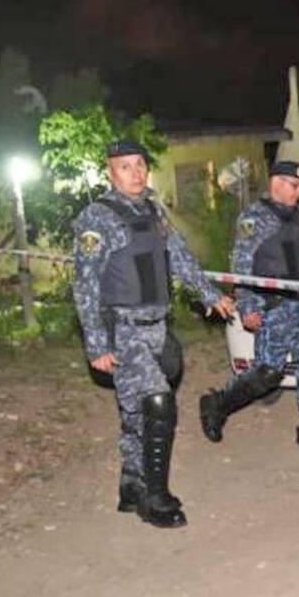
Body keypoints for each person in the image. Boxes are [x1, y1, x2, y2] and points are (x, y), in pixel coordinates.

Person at [72, 141, 234, 529]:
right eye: (125, 167)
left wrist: (211, 296)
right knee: (159, 403)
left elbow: (180, 257)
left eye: (140, 165)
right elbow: (85, 285)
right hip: (123, 328)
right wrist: (96, 344)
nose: (136, 173)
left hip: (158, 327)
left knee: (135, 412)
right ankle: (155, 499)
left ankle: (131, 485)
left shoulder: (153, 210)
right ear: (110, 173)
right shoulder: (97, 217)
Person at [198, 160, 299, 446]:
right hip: (272, 306)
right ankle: (217, 404)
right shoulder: (254, 218)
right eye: (295, 185)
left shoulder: (297, 217)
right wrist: (248, 307)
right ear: (277, 183)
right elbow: (240, 264)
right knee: (269, 372)